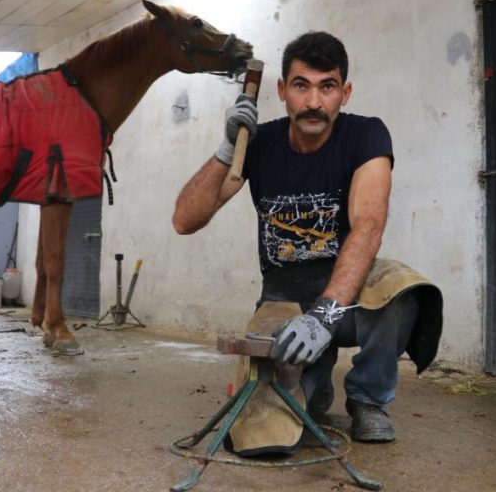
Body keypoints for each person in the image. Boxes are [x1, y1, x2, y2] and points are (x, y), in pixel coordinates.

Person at [172, 32, 432, 443]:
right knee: (264, 437)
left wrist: (324, 316)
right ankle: (314, 385)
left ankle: (368, 398)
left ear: (345, 92)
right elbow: (185, 220)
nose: (313, 102)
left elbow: (368, 226)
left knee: (402, 289)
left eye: (327, 87)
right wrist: (226, 148)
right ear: (281, 91)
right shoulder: (259, 143)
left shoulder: (365, 135)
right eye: (300, 86)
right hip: (283, 299)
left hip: (345, 297)